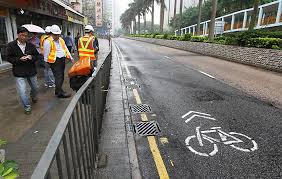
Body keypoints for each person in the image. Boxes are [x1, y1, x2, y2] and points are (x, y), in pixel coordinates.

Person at [6, 27, 40, 114]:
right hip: (19, 71)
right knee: (22, 91)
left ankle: (33, 96)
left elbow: (37, 56)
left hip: (31, 70)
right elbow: (9, 58)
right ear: (18, 34)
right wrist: (19, 59)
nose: (24, 38)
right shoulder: (11, 45)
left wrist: (31, 57)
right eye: (22, 35)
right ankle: (27, 106)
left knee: (35, 87)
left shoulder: (31, 45)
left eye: (26, 36)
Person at [43, 25, 74, 98]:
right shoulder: (48, 41)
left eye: (58, 34)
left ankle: (57, 90)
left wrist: (70, 57)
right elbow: (46, 53)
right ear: (51, 34)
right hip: (54, 61)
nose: (57, 36)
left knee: (60, 76)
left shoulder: (61, 40)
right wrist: (46, 62)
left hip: (62, 60)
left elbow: (65, 48)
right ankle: (60, 93)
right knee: (59, 77)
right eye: (55, 35)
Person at [69, 25, 99, 91]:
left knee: (82, 75)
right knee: (92, 76)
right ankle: (91, 89)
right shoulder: (93, 39)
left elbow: (78, 49)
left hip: (82, 61)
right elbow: (96, 49)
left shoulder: (79, 39)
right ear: (91, 32)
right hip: (91, 61)